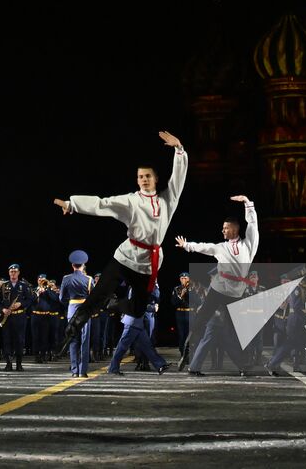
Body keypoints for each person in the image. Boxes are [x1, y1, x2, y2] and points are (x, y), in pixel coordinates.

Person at [54, 131, 187, 375]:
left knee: (137, 309)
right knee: (100, 292)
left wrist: (179, 149)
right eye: (140, 177)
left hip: (148, 263)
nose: (144, 179)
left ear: (156, 179)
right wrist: (72, 205)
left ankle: (113, 304)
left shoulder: (168, 200)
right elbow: (102, 204)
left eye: (147, 176)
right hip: (126, 256)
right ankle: (76, 322)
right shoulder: (130, 201)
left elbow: (178, 178)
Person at [175, 194, 258, 375]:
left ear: (235, 229)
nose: (223, 231)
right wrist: (187, 245)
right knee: (202, 318)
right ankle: (188, 347)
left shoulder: (249, 245)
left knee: (235, 329)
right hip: (218, 289)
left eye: (226, 228)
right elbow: (205, 247)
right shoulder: (221, 247)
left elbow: (252, 225)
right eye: (222, 228)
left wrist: (247, 203)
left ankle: (245, 362)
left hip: (236, 294)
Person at [0, 263, 33, 371]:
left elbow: (30, 299)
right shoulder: (3, 286)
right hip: (7, 317)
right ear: (9, 273)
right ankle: (8, 363)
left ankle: (19, 363)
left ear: (18, 273)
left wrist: (21, 304)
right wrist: (2, 309)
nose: (13, 273)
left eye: (15, 271)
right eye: (11, 272)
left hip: (19, 317)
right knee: (7, 339)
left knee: (19, 340)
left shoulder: (24, 286)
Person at [172, 272, 191, 354]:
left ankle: (188, 354)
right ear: (180, 279)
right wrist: (181, 295)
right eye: (182, 278)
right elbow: (174, 303)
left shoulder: (193, 288)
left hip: (190, 313)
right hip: (180, 313)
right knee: (181, 335)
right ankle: (182, 353)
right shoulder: (176, 289)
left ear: (189, 279)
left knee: (189, 335)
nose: (184, 280)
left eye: (186, 278)